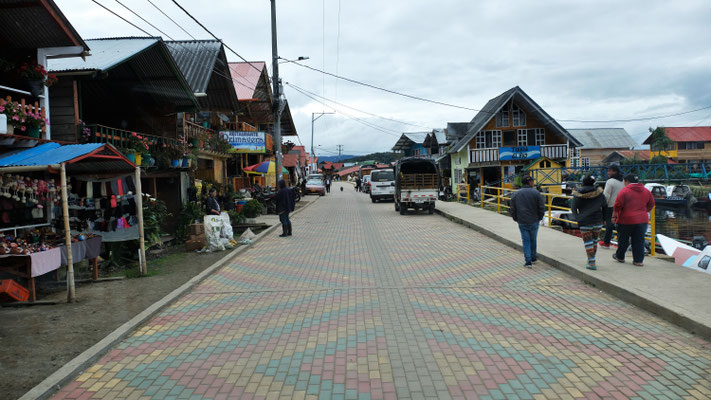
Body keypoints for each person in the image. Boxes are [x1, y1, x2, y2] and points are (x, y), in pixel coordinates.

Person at [613, 174, 655, 266]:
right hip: (642, 220)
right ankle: (638, 261)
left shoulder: (624, 191)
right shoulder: (646, 191)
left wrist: (614, 216)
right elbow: (651, 203)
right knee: (639, 240)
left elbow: (617, 205)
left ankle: (620, 257)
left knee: (623, 239)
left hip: (626, 219)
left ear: (627, 181)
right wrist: (644, 211)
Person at [571, 176, 608, 270]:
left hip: (584, 221)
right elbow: (605, 206)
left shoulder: (578, 194)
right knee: (594, 241)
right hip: (598, 220)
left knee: (588, 242)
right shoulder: (599, 193)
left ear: (583, 182)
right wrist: (604, 219)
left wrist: (578, 218)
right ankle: (591, 259)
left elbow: (574, 208)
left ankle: (591, 262)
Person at [509, 176, 545, 268]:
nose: (533, 183)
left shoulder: (516, 194)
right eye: (532, 181)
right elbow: (541, 207)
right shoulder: (536, 193)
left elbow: (512, 209)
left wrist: (516, 218)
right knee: (533, 239)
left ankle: (528, 260)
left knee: (526, 241)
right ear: (529, 182)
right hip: (534, 220)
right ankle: (533, 257)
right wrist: (539, 218)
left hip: (522, 221)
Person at [601, 164, 624, 248]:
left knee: (609, 226)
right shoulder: (623, 181)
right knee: (621, 226)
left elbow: (606, 196)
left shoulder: (610, 182)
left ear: (614, 171)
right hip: (622, 207)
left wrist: (602, 206)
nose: (608, 173)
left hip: (611, 206)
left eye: (609, 171)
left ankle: (606, 243)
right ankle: (622, 244)